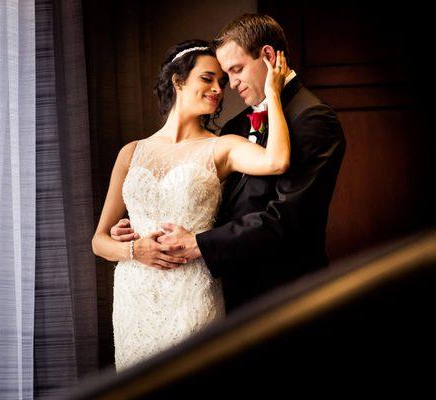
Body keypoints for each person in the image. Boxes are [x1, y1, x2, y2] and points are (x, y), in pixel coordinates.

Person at [110, 14, 346, 314]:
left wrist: (200, 244)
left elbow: (287, 219)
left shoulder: (312, 118)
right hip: (227, 292)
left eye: (235, 71)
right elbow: (211, 202)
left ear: (269, 56)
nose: (230, 86)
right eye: (223, 76)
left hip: (285, 294)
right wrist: (141, 228)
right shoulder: (236, 125)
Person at [92, 38, 291, 371]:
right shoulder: (130, 153)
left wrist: (274, 95)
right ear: (178, 80)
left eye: (222, 82)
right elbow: (99, 241)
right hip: (135, 297)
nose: (218, 89)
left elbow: (277, 161)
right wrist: (133, 250)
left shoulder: (222, 147)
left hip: (191, 291)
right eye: (207, 78)